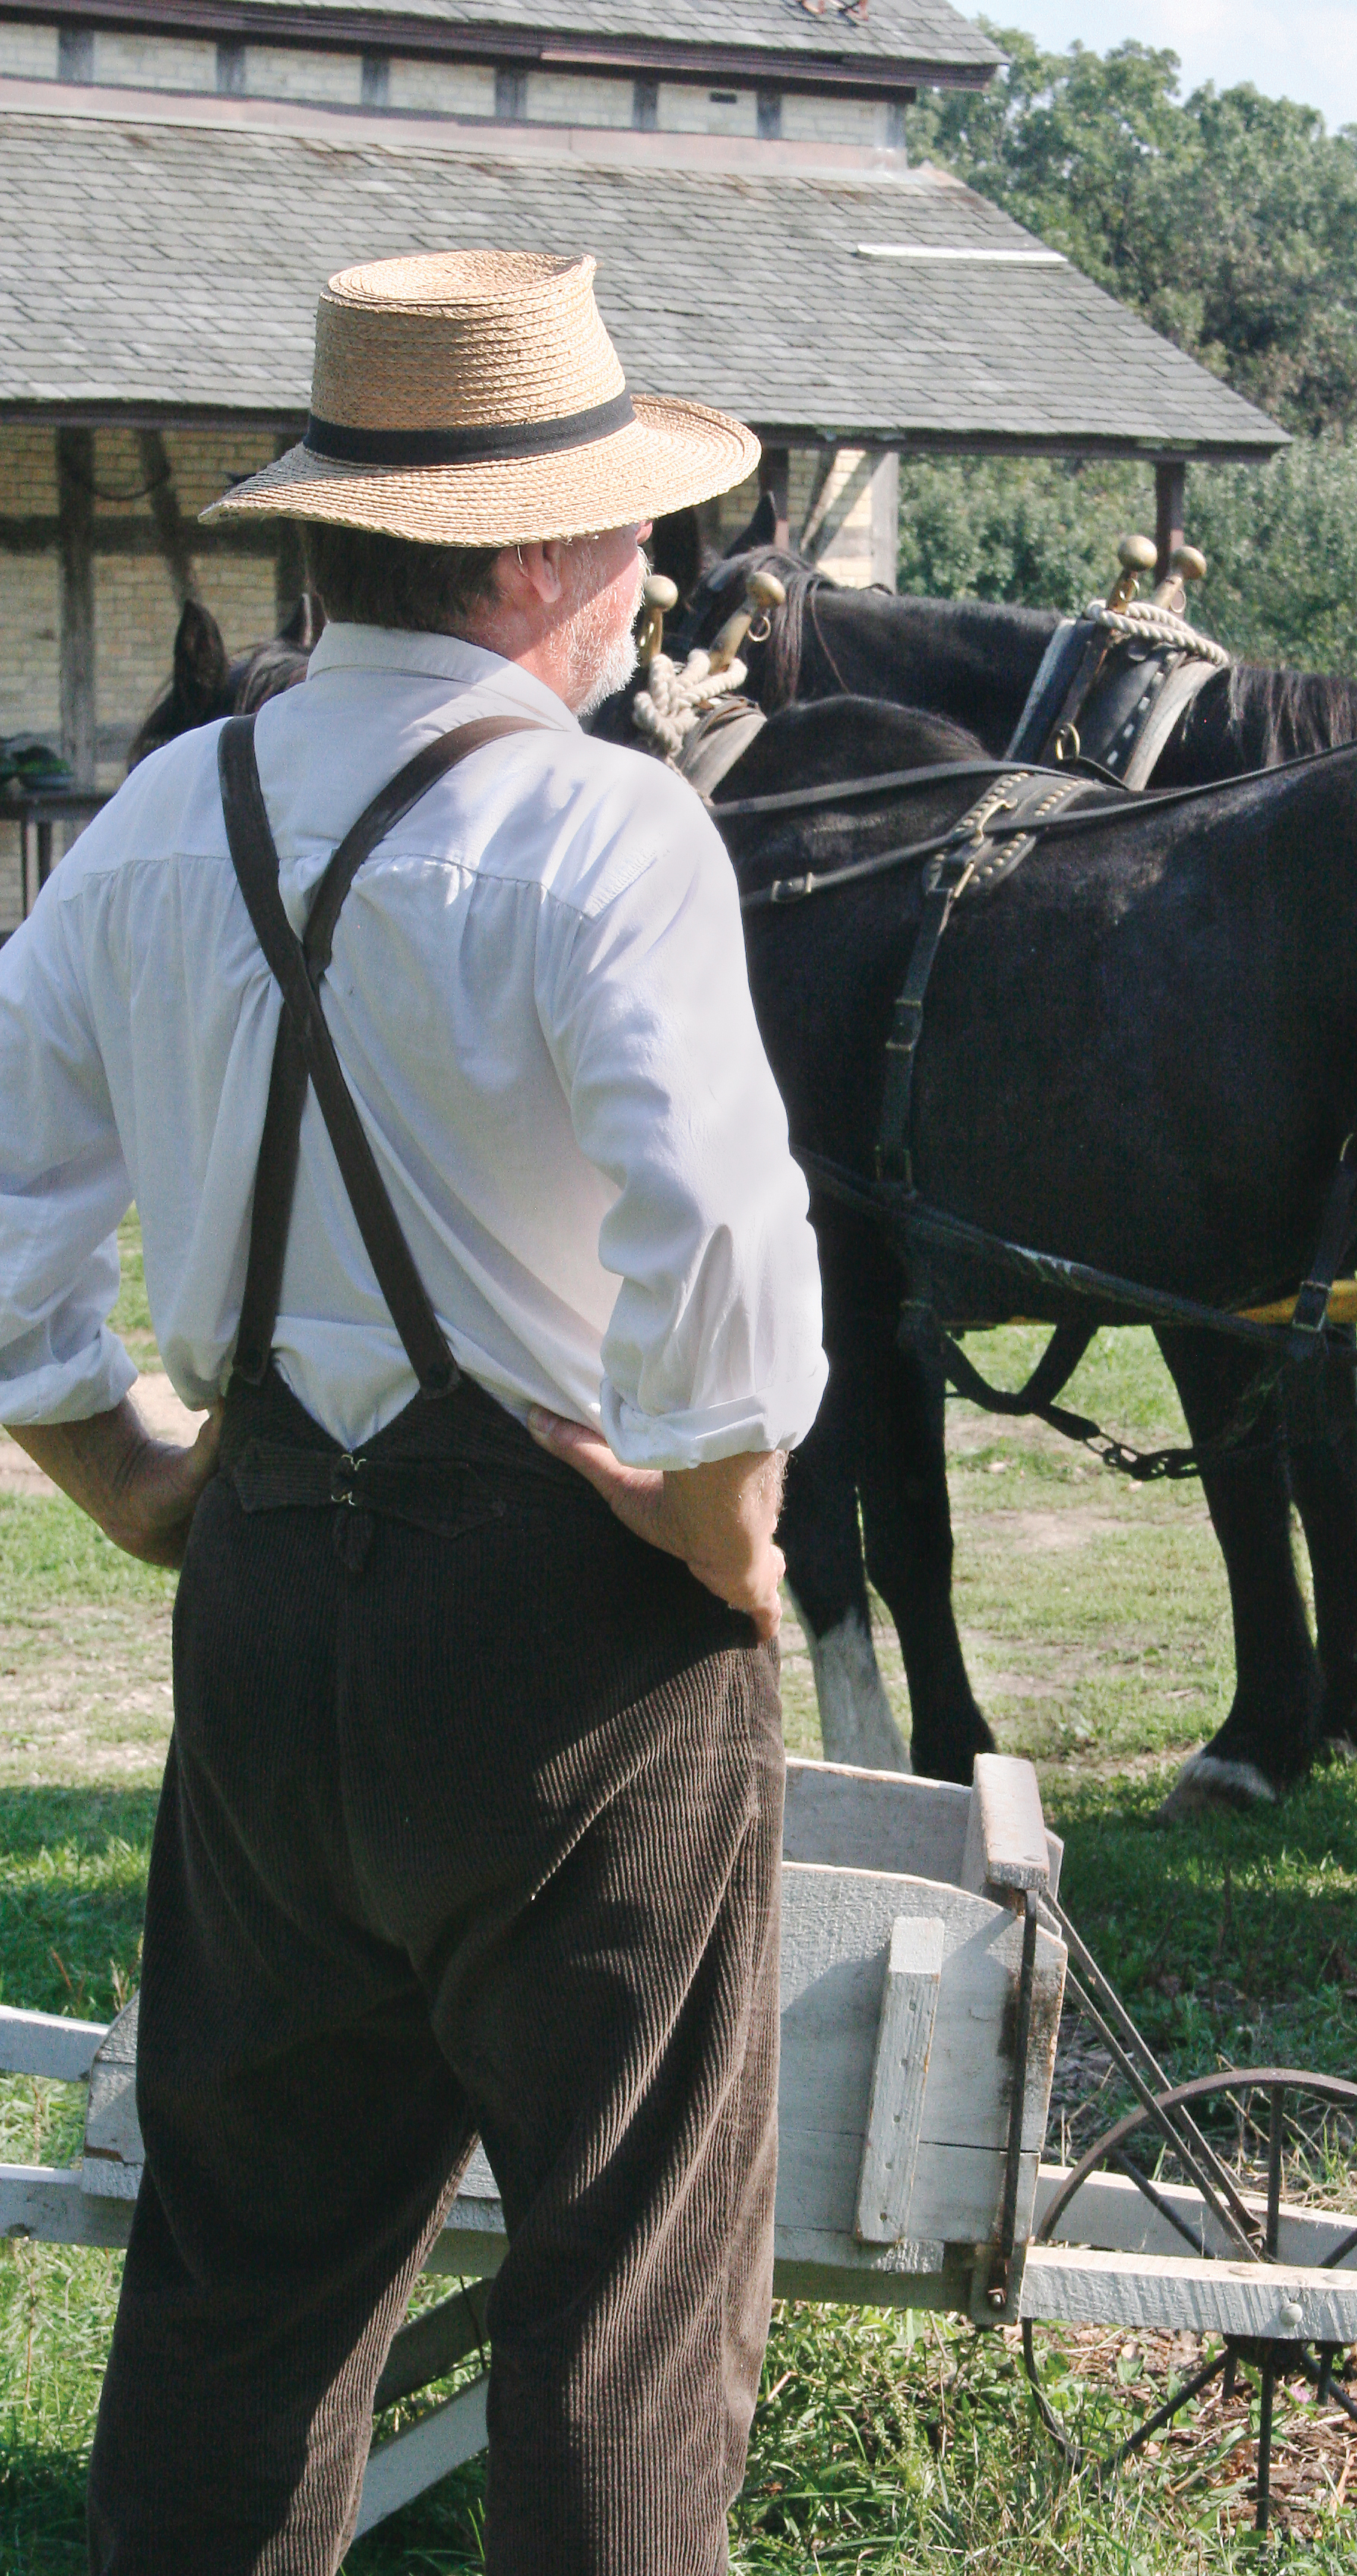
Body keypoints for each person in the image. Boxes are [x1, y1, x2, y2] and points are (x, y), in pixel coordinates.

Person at [0, 248, 826, 2575]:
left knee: (240, 2291)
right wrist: (717, 1521)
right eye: (634, 531)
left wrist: (132, 1467)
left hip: (263, 1618)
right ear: (540, 551)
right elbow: (731, 1265)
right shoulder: (603, 831)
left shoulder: (154, 824)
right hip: (571, 1655)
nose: (655, 576)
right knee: (624, 2298)